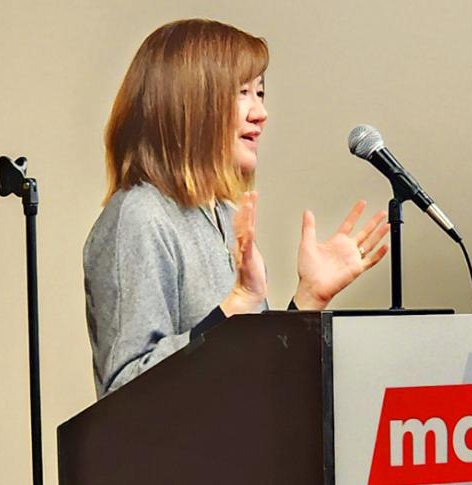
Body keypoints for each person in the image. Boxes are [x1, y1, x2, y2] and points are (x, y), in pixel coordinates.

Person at [84, 18, 390, 398]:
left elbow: (252, 375)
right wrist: (232, 309)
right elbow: (124, 390)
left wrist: (308, 299)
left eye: (260, 93)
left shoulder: (225, 215)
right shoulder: (140, 216)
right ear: (188, 104)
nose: (260, 112)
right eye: (242, 92)